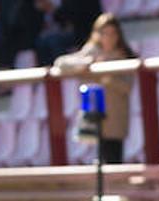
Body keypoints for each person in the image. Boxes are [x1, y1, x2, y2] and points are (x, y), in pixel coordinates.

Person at [55, 12, 134, 164]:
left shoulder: (124, 56)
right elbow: (61, 63)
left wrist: (106, 77)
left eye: (113, 33)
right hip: (95, 116)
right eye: (105, 33)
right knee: (100, 162)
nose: (109, 38)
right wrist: (87, 63)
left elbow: (127, 87)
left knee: (114, 159)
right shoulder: (92, 51)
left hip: (115, 118)